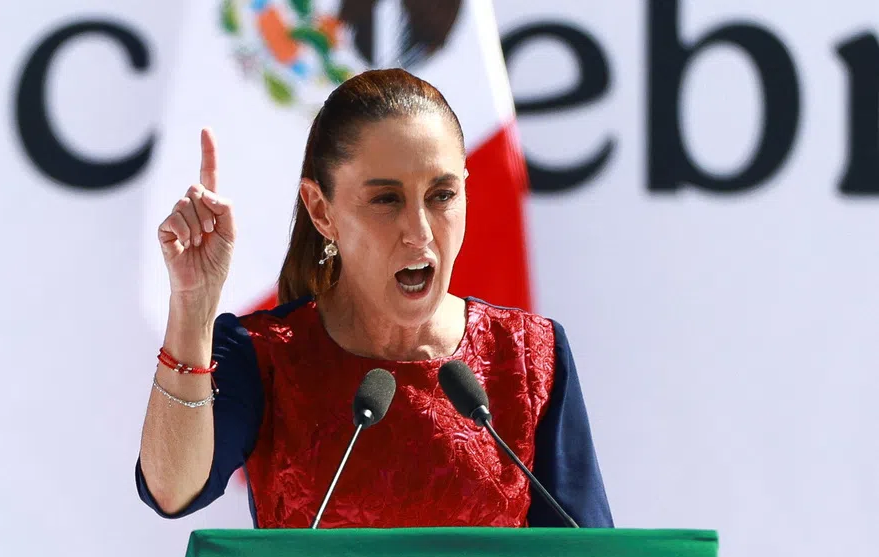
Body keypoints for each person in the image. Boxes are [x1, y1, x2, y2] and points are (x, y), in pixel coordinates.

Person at [136, 68, 613, 529]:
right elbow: (172, 491)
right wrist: (193, 305)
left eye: (442, 195)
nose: (419, 231)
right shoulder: (265, 355)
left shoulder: (531, 356)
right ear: (321, 211)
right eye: (387, 199)